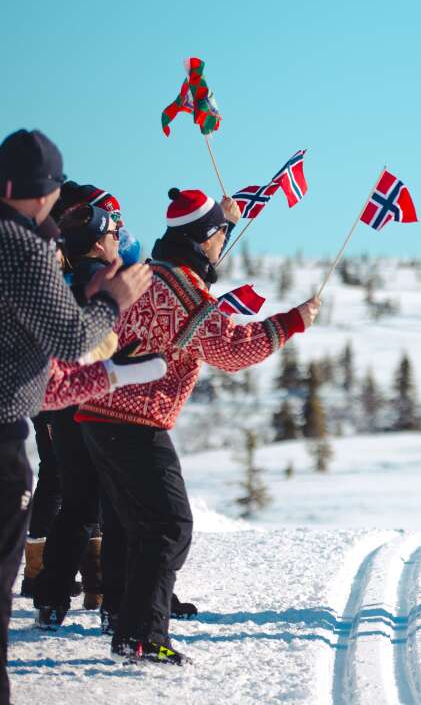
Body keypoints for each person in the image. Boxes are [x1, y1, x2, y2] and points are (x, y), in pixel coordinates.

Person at [77, 186, 319, 665]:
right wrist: (292, 321)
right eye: (220, 235)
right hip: (132, 420)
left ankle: (129, 626)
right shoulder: (184, 292)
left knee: (140, 525)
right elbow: (234, 351)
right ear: (204, 238)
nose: (223, 242)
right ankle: (142, 635)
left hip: (97, 413)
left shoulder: (150, 273)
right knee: (169, 527)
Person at [0, 129, 153, 695]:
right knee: (85, 498)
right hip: (8, 434)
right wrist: (113, 301)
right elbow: (67, 338)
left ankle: (56, 591)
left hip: (34, 412)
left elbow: (39, 362)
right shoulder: (22, 244)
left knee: (73, 494)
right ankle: (81, 593)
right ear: (46, 191)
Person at [35, 183, 165, 629]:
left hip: (61, 405)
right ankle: (115, 606)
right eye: (113, 232)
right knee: (115, 509)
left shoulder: (55, 280)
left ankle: (50, 599)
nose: (118, 239)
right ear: (98, 240)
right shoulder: (107, 283)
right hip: (105, 405)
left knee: (75, 504)